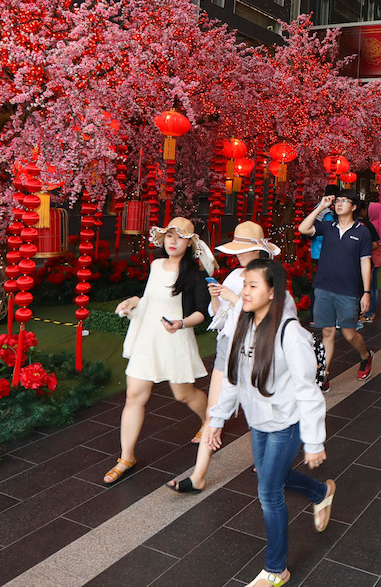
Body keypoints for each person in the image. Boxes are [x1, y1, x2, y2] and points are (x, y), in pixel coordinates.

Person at [205, 259, 333, 587]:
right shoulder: (242, 323)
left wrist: (314, 441)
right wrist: (217, 418)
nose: (243, 291)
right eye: (243, 284)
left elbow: (309, 391)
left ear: (272, 292)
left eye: (251, 286)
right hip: (259, 419)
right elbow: (234, 377)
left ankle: (276, 569)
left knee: (268, 491)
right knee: (270, 476)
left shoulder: (290, 334)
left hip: (286, 423)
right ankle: (320, 492)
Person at [167, 221, 294, 493]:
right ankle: (199, 474)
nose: (238, 254)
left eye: (243, 249)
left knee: (261, 407)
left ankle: (267, 459)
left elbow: (266, 318)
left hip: (257, 348)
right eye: (237, 249)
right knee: (215, 410)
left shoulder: (271, 277)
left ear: (258, 250)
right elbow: (219, 316)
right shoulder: (234, 275)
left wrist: (232, 298)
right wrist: (217, 297)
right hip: (228, 343)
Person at [105, 217, 215, 485]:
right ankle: (126, 457)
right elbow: (149, 298)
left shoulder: (194, 274)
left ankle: (209, 422)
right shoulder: (155, 265)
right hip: (148, 336)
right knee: (134, 395)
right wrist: (132, 301)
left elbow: (203, 312)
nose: (172, 241)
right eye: (168, 236)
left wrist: (181, 324)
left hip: (174, 336)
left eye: (178, 237)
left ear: (189, 242)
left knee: (183, 394)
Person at [299, 189, 374, 388]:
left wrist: (366, 292)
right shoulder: (328, 226)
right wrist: (322, 207)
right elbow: (303, 229)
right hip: (323, 288)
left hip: (348, 291)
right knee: (328, 333)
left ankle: (365, 356)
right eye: (337, 201)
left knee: (349, 334)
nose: (339, 204)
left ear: (354, 206)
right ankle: (324, 374)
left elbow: (365, 262)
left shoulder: (362, 231)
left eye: (344, 201)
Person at [356, 199, 381, 325]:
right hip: (367, 261)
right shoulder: (366, 224)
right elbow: (376, 244)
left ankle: (364, 313)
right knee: (369, 287)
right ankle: (366, 313)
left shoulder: (352, 224)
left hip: (360, 262)